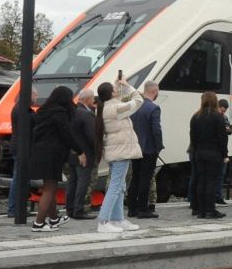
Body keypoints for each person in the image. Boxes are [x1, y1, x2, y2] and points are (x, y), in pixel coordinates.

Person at [95, 77, 145, 234]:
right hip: (121, 151)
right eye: (114, 89)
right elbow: (138, 101)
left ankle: (118, 219)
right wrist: (129, 86)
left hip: (115, 150)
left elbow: (121, 100)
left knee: (119, 186)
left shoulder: (106, 107)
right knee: (116, 187)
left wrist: (117, 84)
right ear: (111, 93)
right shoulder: (116, 108)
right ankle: (103, 221)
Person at [28, 87, 80, 232]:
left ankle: (53, 218)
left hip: (40, 153)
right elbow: (66, 134)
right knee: (50, 189)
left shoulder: (43, 111)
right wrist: (80, 150)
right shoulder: (60, 114)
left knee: (48, 187)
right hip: (52, 154)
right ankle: (38, 223)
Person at [190, 91, 230, 219]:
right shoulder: (218, 117)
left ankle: (201, 210)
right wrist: (225, 154)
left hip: (199, 153)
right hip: (214, 154)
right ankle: (210, 210)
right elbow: (222, 138)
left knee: (201, 181)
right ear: (214, 101)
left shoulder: (195, 117)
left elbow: (193, 137)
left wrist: (196, 151)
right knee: (211, 182)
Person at [128, 81, 163, 219]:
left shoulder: (134, 107)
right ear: (154, 92)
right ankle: (143, 208)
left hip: (136, 147)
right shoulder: (154, 108)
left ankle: (132, 208)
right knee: (145, 178)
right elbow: (156, 130)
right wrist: (159, 146)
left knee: (135, 177)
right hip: (149, 149)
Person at [6, 87, 39, 218]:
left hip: (20, 147)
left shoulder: (21, 108)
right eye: (35, 96)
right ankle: (14, 209)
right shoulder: (22, 109)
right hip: (21, 148)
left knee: (21, 179)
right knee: (19, 179)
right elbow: (32, 124)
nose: (36, 98)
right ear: (29, 95)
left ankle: (18, 208)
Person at [66, 88, 98, 220]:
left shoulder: (72, 112)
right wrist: (98, 151)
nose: (94, 101)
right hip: (85, 154)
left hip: (72, 153)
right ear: (88, 99)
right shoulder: (86, 114)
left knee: (72, 181)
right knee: (83, 181)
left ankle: (70, 209)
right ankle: (79, 209)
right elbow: (92, 136)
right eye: (92, 99)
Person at [216, 98, 232, 204]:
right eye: (221, 109)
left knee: (221, 175)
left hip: (223, 149)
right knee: (217, 175)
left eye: (225, 110)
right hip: (217, 150)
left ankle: (218, 196)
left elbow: (229, 130)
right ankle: (216, 196)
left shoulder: (225, 118)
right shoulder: (215, 117)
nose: (223, 112)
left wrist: (229, 130)